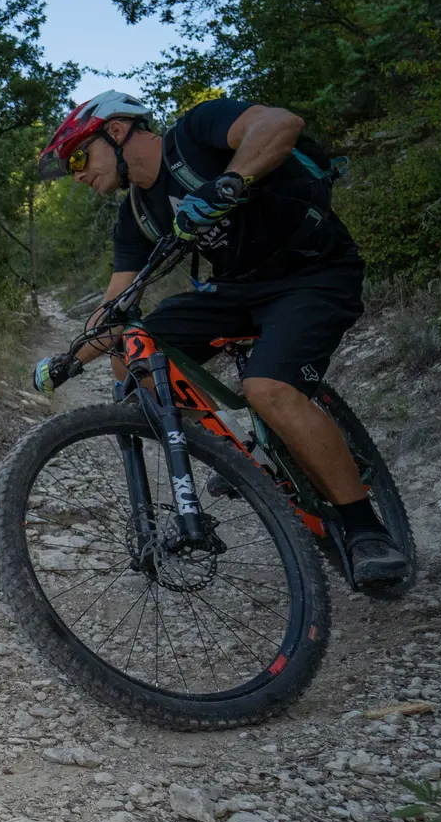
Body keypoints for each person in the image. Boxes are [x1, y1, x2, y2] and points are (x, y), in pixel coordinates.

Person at [28, 90, 412, 592]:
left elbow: (281, 120)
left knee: (267, 388)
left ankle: (366, 530)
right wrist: (69, 360)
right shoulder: (136, 215)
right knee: (134, 351)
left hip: (314, 275)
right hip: (237, 290)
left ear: (116, 132)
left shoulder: (196, 133)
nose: (77, 174)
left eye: (79, 156)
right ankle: (237, 451)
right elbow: (116, 305)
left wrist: (229, 182)